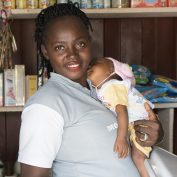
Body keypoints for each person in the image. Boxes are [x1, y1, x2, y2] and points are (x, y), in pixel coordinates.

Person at [18, 2, 164, 177]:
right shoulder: (45, 105)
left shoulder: (101, 88)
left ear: (89, 42)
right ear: (45, 51)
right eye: (60, 47)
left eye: (80, 44)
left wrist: (155, 134)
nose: (72, 55)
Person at [87, 57, 155, 177]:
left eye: (96, 64)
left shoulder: (112, 86)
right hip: (137, 123)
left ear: (109, 71)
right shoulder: (102, 89)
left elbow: (122, 111)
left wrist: (121, 138)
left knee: (138, 157)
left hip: (143, 123)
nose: (90, 66)